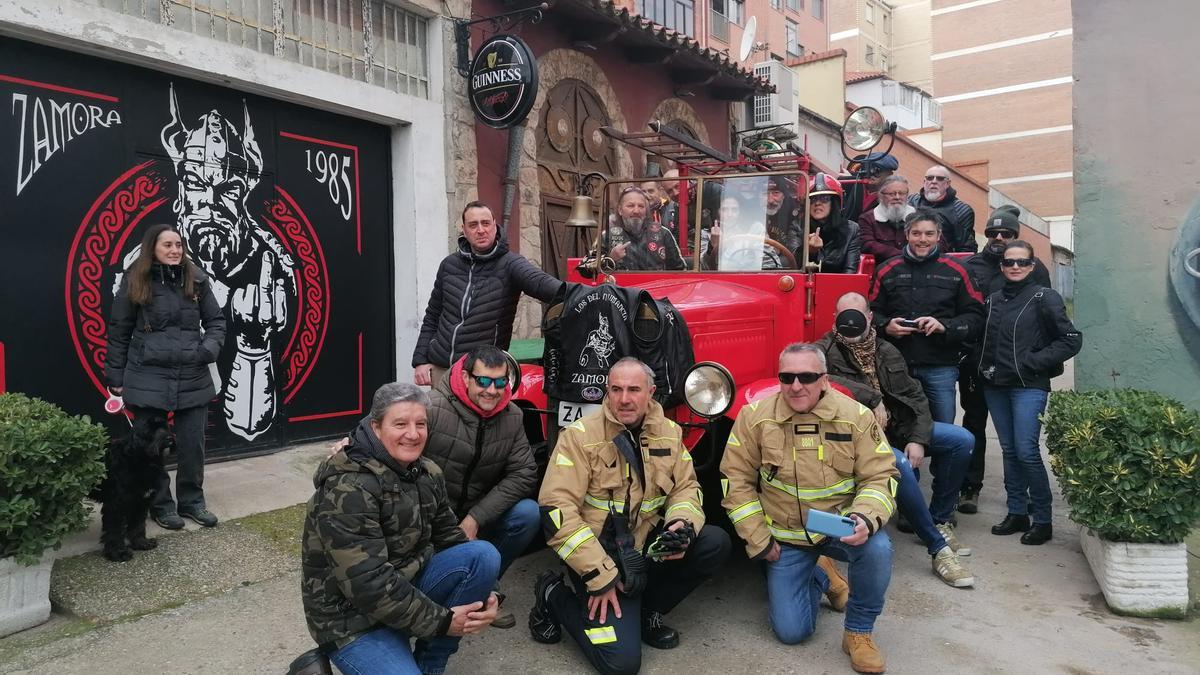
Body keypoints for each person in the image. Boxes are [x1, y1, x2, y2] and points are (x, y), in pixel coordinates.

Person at [530, 358, 730, 675]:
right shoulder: (580, 437)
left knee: (713, 542)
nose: (624, 399)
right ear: (606, 393)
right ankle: (553, 595)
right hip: (599, 553)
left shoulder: (669, 433)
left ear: (650, 392)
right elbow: (557, 509)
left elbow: (688, 488)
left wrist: (681, 523)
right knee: (620, 664)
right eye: (616, 389)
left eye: (634, 389)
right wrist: (600, 575)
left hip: (643, 548)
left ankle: (649, 610)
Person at [721, 343, 898, 674]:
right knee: (791, 632)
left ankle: (858, 632)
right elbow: (735, 481)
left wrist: (864, 518)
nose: (796, 385)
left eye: (806, 376)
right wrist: (758, 539)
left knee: (878, 548)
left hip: (836, 527)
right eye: (787, 377)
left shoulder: (855, 417)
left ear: (824, 379)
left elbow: (881, 476)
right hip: (784, 535)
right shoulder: (755, 417)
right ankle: (823, 574)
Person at [301, 383, 501, 675]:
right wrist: (443, 621)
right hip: (352, 619)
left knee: (482, 555)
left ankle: (430, 663)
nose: (413, 433)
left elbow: (450, 538)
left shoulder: (428, 472)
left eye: (420, 423)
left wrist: (490, 596)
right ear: (376, 427)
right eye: (400, 424)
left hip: (405, 589)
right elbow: (367, 584)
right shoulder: (349, 487)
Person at [816, 293, 975, 588]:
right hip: (857, 439)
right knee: (898, 462)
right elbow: (825, 382)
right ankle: (937, 546)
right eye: (843, 314)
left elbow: (915, 396)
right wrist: (872, 397)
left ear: (869, 317)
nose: (850, 321)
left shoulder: (887, 349)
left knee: (961, 440)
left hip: (899, 429)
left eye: (857, 314)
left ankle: (939, 517)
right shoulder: (822, 351)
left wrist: (918, 438)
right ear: (835, 317)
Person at [105, 224, 227, 530]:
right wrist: (115, 378)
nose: (175, 250)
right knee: (150, 450)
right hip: (147, 377)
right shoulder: (135, 280)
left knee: (192, 445)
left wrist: (207, 350)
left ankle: (192, 502)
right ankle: (160, 506)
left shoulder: (197, 280)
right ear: (153, 249)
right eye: (167, 245)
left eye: (178, 245)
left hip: (193, 375)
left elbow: (216, 322)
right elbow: (119, 333)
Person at [976, 241, 1082, 545]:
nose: (1015, 267)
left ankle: (1044, 520)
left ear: (1032, 266)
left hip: (1028, 386)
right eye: (1009, 262)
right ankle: (1017, 512)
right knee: (1009, 450)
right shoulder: (993, 299)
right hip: (995, 385)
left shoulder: (1044, 297)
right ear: (1002, 266)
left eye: (1022, 262)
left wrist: (1033, 361)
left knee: (1026, 450)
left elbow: (1071, 339)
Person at [426, 346, 538, 628]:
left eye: (500, 382)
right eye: (483, 381)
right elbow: (385, 432)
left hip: (476, 512)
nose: (492, 390)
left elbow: (525, 472)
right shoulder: (432, 408)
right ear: (466, 378)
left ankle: (484, 590)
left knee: (528, 513)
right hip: (431, 517)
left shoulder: (512, 416)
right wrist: (350, 445)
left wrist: (476, 518)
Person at [957, 205, 1052, 514]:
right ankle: (971, 486)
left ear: (1016, 235)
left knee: (1018, 442)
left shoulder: (1035, 269)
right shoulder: (971, 266)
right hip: (977, 363)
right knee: (974, 424)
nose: (999, 237)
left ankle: (1024, 503)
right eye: (993, 233)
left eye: (1006, 233)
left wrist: (1035, 359)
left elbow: (1046, 319)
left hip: (1018, 369)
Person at [413, 201, 562, 387]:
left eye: (485, 223)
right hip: (442, 369)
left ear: (494, 225)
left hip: (482, 373)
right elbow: (432, 315)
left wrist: (585, 293)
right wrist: (420, 360)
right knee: (439, 417)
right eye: (473, 225)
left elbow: (543, 285)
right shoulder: (449, 265)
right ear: (464, 230)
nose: (481, 230)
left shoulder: (510, 264)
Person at [870, 210, 984, 424]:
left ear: (939, 236)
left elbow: (976, 318)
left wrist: (944, 327)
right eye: (916, 233)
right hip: (896, 365)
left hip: (940, 366)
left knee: (942, 429)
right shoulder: (886, 270)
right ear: (907, 234)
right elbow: (870, 313)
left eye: (929, 234)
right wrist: (886, 326)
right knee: (896, 426)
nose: (922, 240)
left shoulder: (959, 270)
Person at [606, 186, 687, 272]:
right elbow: (592, 272)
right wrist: (611, 259)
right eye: (630, 206)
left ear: (646, 210)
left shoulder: (663, 233)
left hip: (656, 284)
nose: (636, 211)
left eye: (641, 206)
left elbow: (680, 270)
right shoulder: (607, 236)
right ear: (620, 210)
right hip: (619, 285)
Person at [908, 165, 977, 253]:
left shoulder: (961, 210)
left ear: (948, 183)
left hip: (942, 263)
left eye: (940, 179)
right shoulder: (911, 201)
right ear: (924, 182)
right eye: (930, 178)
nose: (934, 181)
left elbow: (967, 249)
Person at [804, 173, 862, 274]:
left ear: (834, 203)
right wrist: (809, 252)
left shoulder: (851, 229)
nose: (817, 203)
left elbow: (850, 271)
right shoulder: (798, 227)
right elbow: (791, 266)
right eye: (812, 199)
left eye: (824, 198)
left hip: (838, 286)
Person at [858, 175, 917, 262]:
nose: (897, 197)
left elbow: (938, 242)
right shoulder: (867, 219)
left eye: (902, 193)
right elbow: (867, 244)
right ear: (881, 195)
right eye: (892, 194)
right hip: (882, 268)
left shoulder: (919, 217)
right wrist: (903, 255)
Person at [842, 152, 899, 224]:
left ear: (889, 175)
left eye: (877, 170)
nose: (871, 174)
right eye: (869, 168)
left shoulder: (891, 200)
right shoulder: (852, 182)